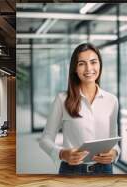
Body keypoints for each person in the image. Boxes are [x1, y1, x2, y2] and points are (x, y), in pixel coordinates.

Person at [39, 43, 120, 175]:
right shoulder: (62, 99)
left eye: (93, 62)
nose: (89, 68)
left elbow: (114, 139)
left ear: (100, 65)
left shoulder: (111, 100)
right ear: (75, 68)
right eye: (82, 63)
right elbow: (45, 139)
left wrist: (114, 153)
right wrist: (62, 153)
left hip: (104, 170)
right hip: (72, 170)